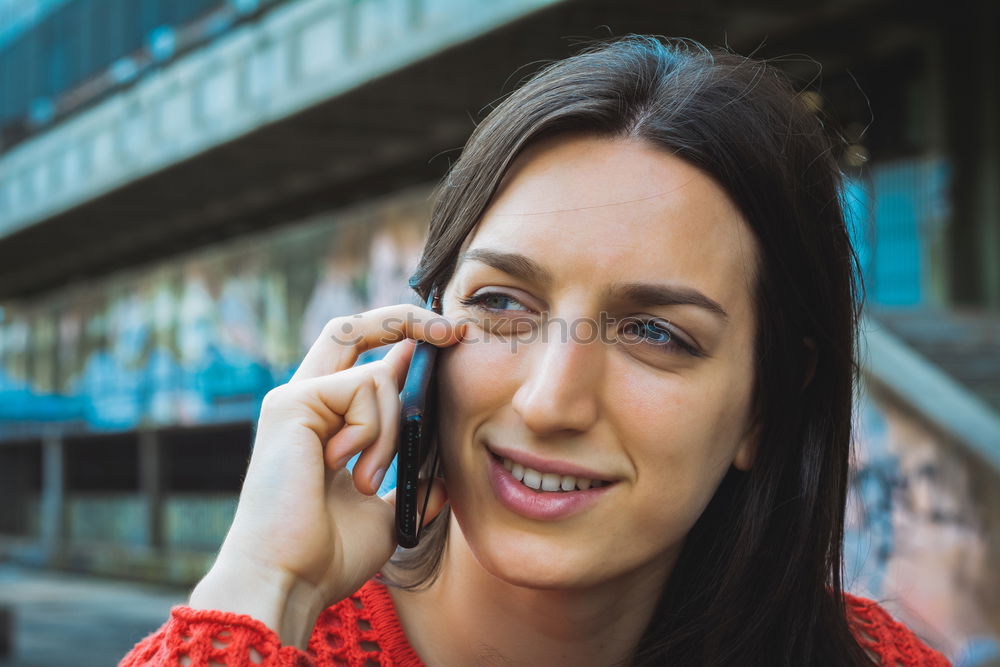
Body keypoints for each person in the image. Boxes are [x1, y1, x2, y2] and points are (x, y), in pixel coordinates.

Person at [120, 36, 951, 666]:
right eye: (503, 304)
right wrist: (265, 590)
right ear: (416, 334)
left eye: (654, 331)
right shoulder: (269, 637)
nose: (551, 401)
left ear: (763, 406)